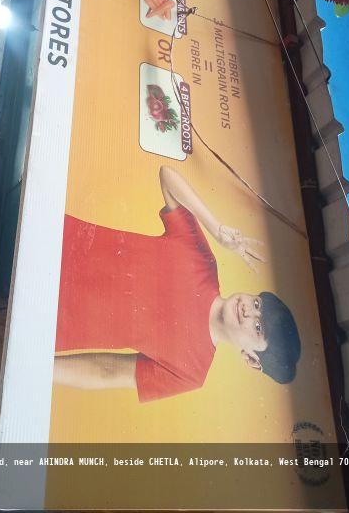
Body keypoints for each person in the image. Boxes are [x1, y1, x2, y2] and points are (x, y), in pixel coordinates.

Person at [54, 165, 301, 402]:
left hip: (52, 321)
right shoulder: (204, 260)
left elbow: (106, 371)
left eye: (258, 327)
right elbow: (167, 176)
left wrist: (42, 367)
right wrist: (216, 229)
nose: (248, 310)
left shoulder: (192, 373)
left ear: (252, 360)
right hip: (56, 236)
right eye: (257, 304)